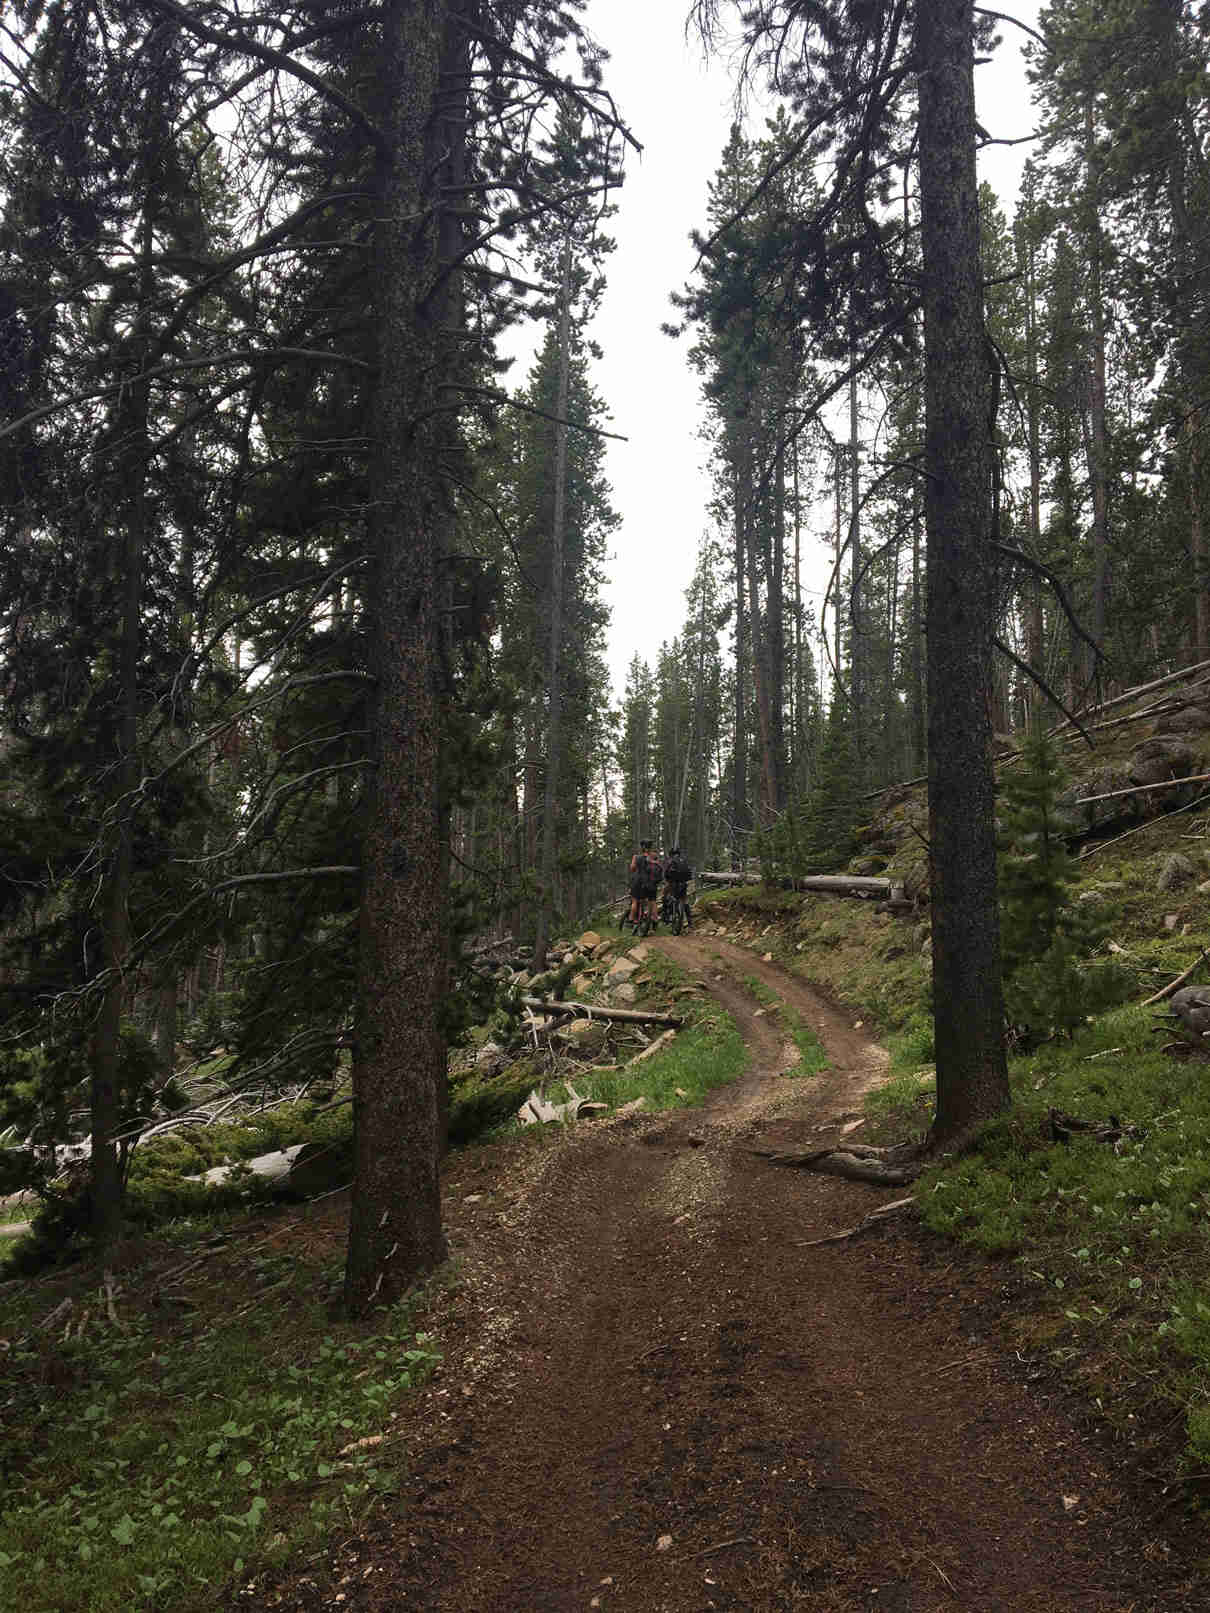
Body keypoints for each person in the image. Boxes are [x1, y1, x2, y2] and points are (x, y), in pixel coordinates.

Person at [627, 839, 659, 930]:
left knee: (635, 901)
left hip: (639, 883)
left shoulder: (636, 857)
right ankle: (655, 922)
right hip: (652, 883)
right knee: (653, 902)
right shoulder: (654, 856)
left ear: (643, 847)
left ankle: (631, 920)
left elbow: (632, 869)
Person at [664, 845, 692, 928]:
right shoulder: (684, 861)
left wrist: (668, 880)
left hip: (673, 884)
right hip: (683, 883)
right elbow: (689, 873)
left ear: (671, 854)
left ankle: (667, 917)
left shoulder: (670, 861)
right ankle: (690, 921)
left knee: (665, 897)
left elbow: (666, 873)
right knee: (684, 901)